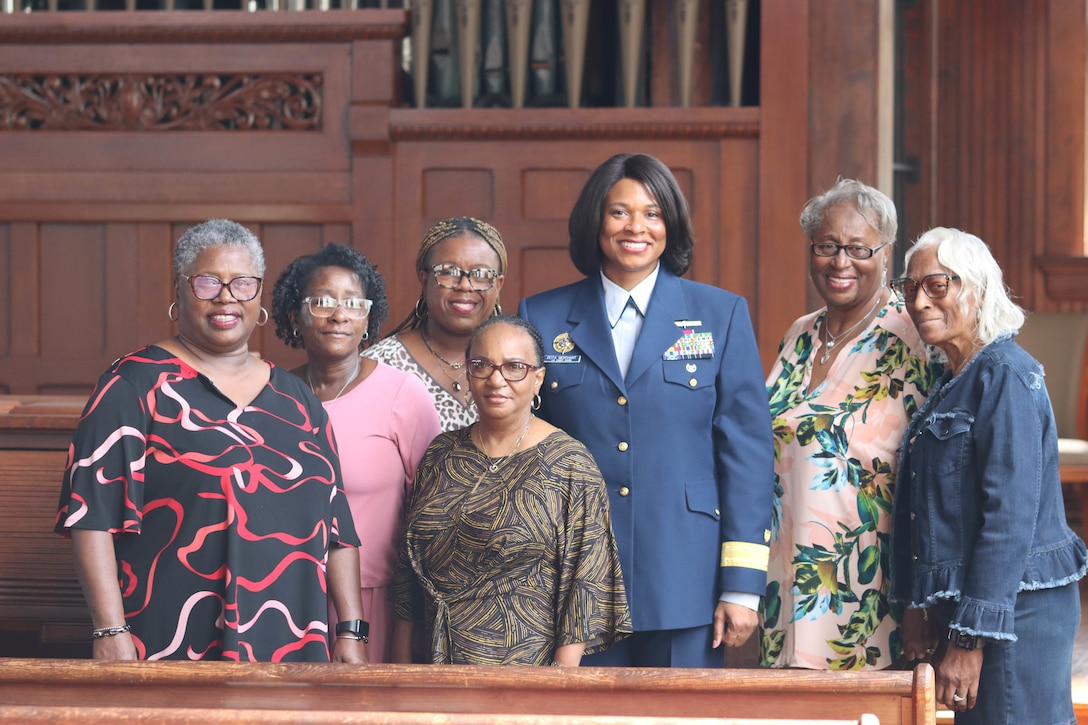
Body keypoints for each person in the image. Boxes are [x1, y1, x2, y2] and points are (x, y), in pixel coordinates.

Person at [54, 219, 368, 663]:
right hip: (172, 642)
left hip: (295, 646)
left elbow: (337, 528)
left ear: (258, 296)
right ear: (179, 292)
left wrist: (351, 633)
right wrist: (109, 630)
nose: (226, 296)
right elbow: (90, 517)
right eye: (207, 282)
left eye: (242, 283)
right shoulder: (133, 384)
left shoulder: (296, 398)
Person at [518, 152, 775, 667]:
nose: (636, 227)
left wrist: (743, 587)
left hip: (686, 576)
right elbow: (522, 446)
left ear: (670, 225)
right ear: (595, 221)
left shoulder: (719, 314)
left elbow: (747, 455)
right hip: (571, 582)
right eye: (619, 212)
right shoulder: (540, 316)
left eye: (653, 213)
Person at [890, 227, 1087, 722]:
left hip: (1013, 618)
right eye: (910, 287)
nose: (918, 301)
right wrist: (920, 607)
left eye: (937, 285)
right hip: (971, 613)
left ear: (977, 290)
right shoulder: (954, 379)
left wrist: (969, 638)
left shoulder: (1005, 375)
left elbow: (1009, 521)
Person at [760, 179, 940, 670]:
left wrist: (922, 602)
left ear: (886, 253)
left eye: (859, 248)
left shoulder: (917, 333)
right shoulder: (799, 333)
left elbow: (937, 475)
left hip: (868, 585)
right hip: (783, 574)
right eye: (827, 247)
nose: (841, 262)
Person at [391, 315, 631, 665]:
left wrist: (558, 694)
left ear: (538, 379)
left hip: (523, 676)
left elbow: (583, 590)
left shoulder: (570, 464)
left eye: (514, 367)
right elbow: (406, 575)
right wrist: (398, 676)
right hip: (431, 665)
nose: (496, 379)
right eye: (482, 365)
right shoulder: (440, 454)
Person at [271, 243, 442, 663]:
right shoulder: (270, 394)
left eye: (352, 303)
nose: (338, 314)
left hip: (381, 603)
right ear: (296, 315)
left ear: (367, 319)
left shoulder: (403, 394)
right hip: (287, 597)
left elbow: (434, 509)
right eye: (322, 302)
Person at [364, 217, 507, 432]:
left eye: (480, 274)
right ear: (424, 279)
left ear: (498, 285)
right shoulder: (379, 365)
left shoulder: (519, 364)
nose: (465, 286)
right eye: (449, 272)